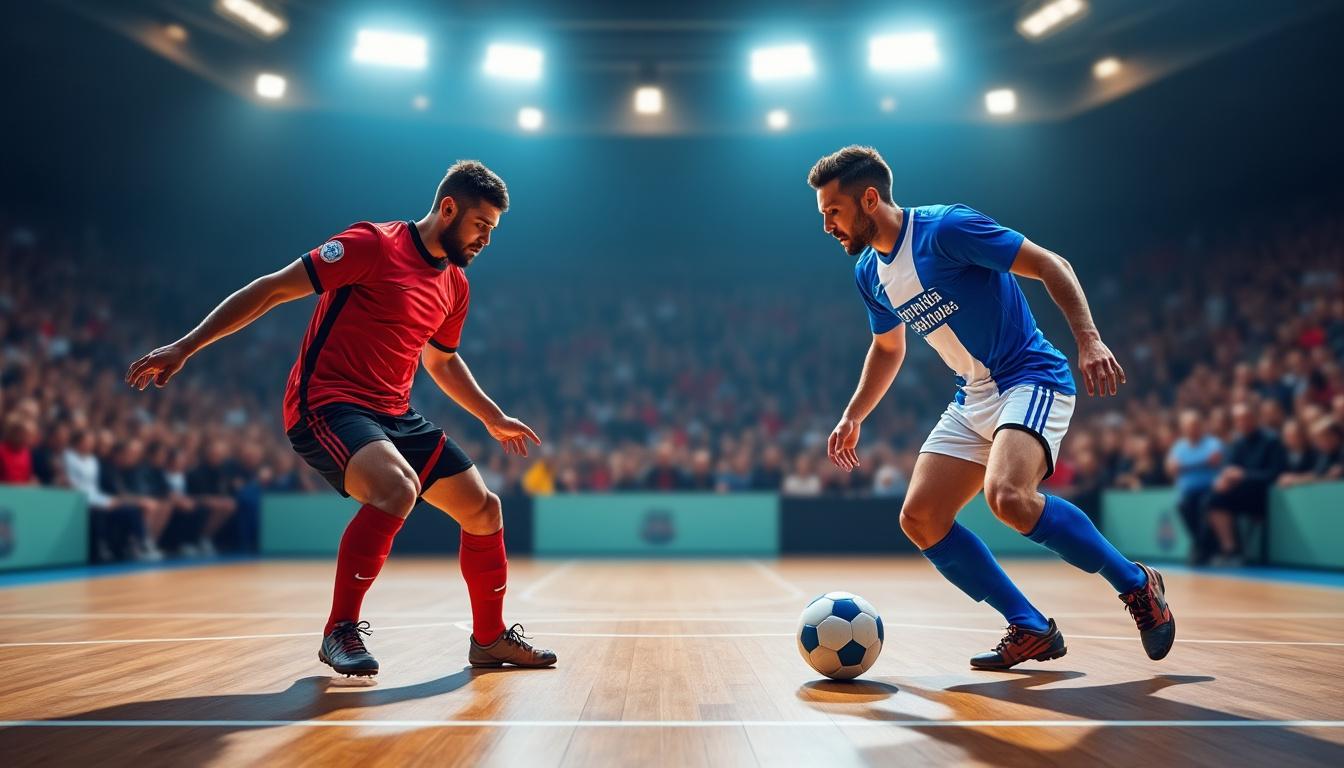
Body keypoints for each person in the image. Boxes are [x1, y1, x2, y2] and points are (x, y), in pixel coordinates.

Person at [125, 161, 554, 676]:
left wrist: (493, 416)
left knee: (485, 510)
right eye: (481, 225)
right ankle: (338, 631)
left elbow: (440, 361)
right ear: (448, 209)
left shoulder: (455, 286)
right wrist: (186, 346)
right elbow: (272, 288)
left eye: (492, 230)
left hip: (395, 413)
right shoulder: (372, 245)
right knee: (398, 489)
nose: (486, 238)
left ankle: (488, 640)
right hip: (326, 404)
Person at [808, 145, 1173, 670]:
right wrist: (853, 415)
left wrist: (1089, 340)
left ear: (869, 199)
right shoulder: (868, 271)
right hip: (974, 393)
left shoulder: (947, 229)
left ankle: (1137, 584)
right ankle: (1030, 627)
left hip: (1029, 375)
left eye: (833, 211)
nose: (827, 226)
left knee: (1007, 497)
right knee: (921, 518)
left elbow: (1051, 264)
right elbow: (889, 348)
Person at [1204, 402, 1286, 565]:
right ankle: (1229, 549)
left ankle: (1223, 550)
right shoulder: (1237, 442)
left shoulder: (1271, 440)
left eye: (1246, 418)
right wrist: (1224, 479)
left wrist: (1244, 476)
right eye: (1239, 420)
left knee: (1214, 499)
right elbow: (1227, 467)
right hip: (1239, 492)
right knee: (1211, 499)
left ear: (1255, 418)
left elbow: (1275, 473)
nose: (1243, 423)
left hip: (1263, 495)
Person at [1164, 409, 1223, 564]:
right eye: (1188, 426)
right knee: (1183, 506)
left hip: (1209, 489)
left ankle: (1202, 548)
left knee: (1206, 506)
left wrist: (1185, 466)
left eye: (1195, 425)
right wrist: (1202, 463)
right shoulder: (1179, 447)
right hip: (1188, 493)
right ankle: (1200, 546)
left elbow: (1215, 460)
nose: (1192, 428)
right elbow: (1172, 468)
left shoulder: (1213, 443)